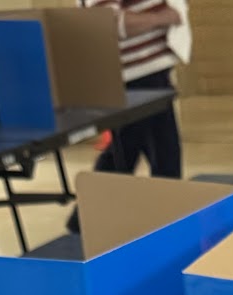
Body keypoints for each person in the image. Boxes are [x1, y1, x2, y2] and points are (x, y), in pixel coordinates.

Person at [66, 0, 191, 233]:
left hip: (154, 72)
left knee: (154, 153)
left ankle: (167, 220)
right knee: (135, 152)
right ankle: (82, 220)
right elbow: (110, 23)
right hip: (132, 79)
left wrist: (160, 15)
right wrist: (162, 17)